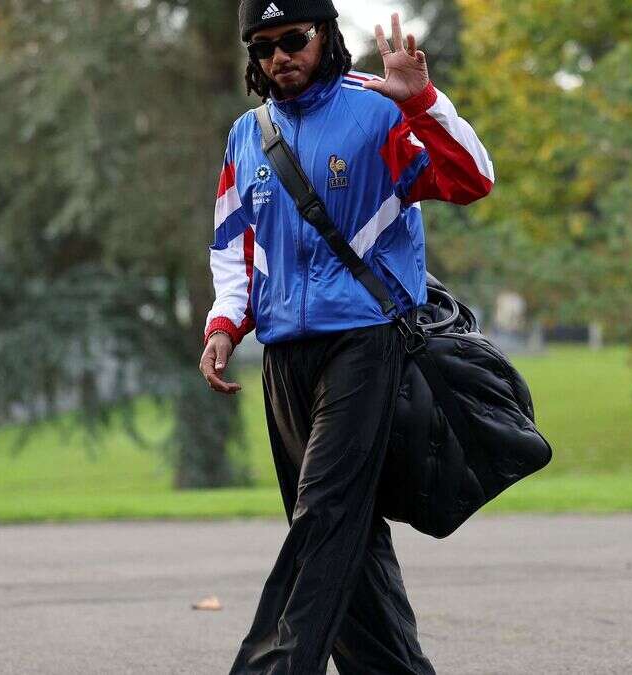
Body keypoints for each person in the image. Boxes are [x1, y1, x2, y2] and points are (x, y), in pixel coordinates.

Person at [198, 2, 495, 672]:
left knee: (324, 516)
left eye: (295, 39)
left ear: (325, 36)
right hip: (285, 359)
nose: (281, 56)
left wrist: (422, 101)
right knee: (347, 541)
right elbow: (233, 246)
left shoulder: (380, 109)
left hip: (366, 344)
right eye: (265, 45)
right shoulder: (248, 135)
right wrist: (224, 324)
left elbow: (472, 178)